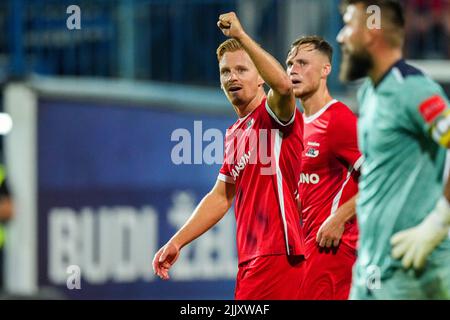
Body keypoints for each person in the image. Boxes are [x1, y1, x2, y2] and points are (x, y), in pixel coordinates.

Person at [153, 12, 305, 300]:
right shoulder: (234, 133)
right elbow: (221, 195)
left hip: (279, 254)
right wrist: (178, 241)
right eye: (225, 72)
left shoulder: (274, 116)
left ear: (260, 77)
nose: (232, 77)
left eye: (242, 69)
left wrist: (240, 36)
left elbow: (284, 86)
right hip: (251, 260)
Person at [338, 0, 450, 299]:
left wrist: (439, 221)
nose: (340, 37)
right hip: (371, 269)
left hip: (412, 272)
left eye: (349, 25)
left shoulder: (413, 88)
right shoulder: (369, 93)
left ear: (371, 33)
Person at [285, 36, 362, 300]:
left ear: (325, 70)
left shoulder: (339, 119)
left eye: (303, 63)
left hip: (333, 249)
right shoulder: (295, 126)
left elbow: (381, 178)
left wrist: (339, 219)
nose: (293, 69)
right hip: (306, 248)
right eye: (290, 63)